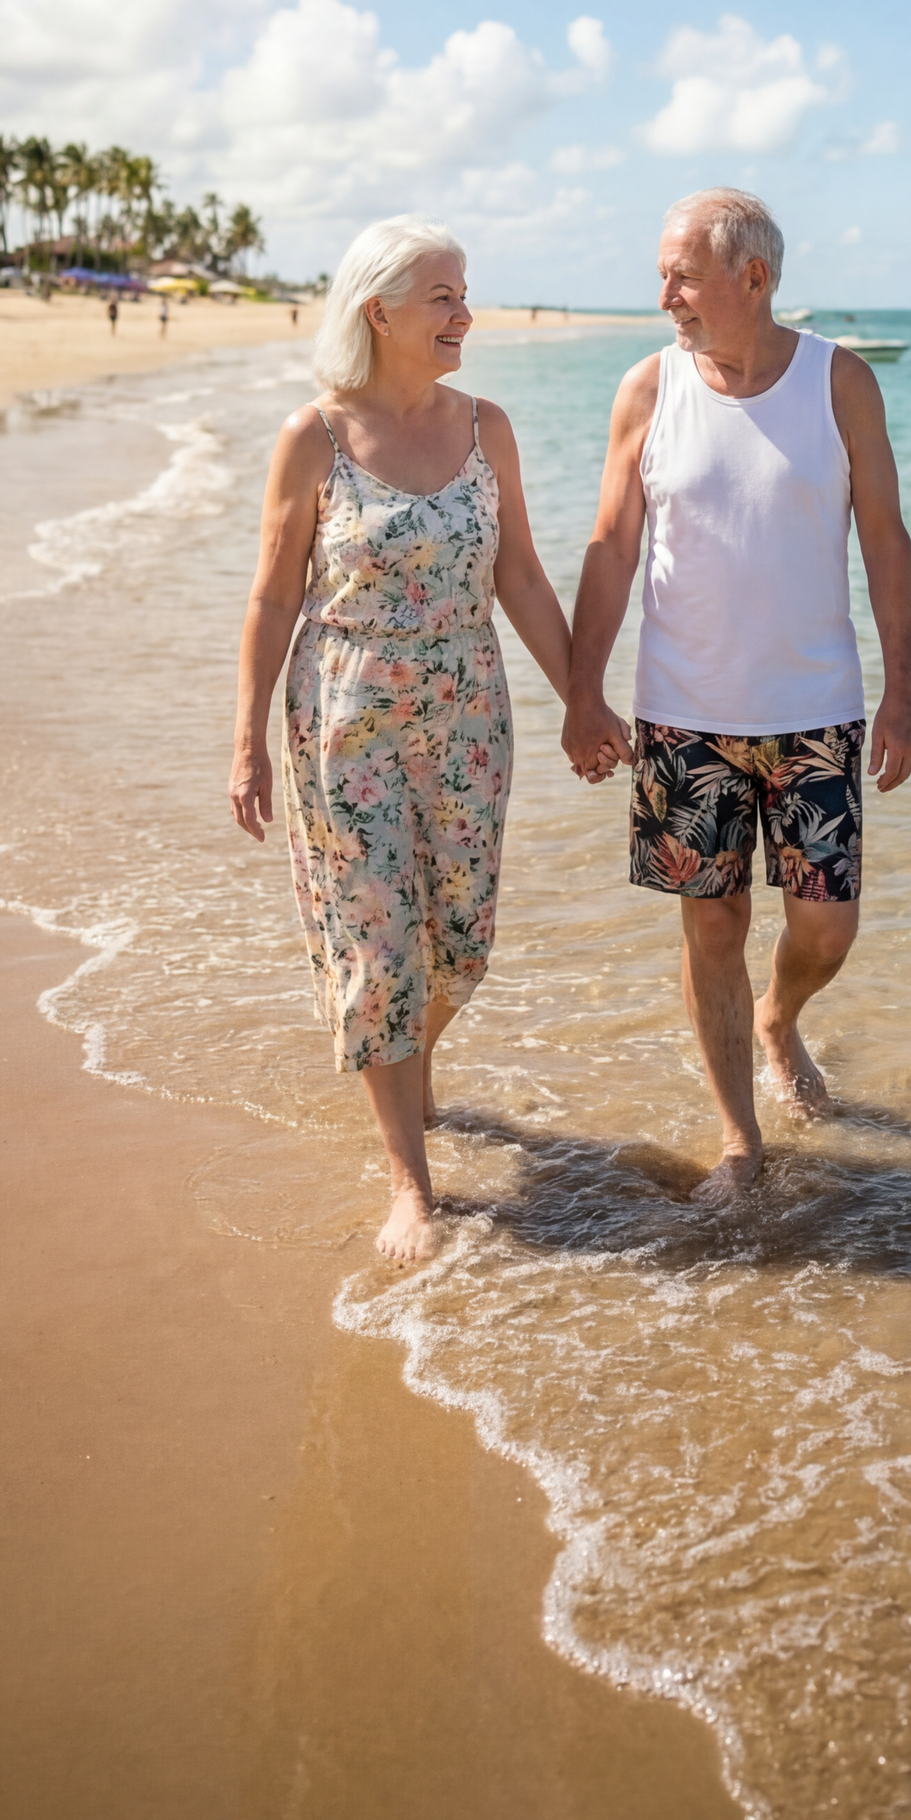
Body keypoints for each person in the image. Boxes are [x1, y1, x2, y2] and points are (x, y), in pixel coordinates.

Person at [229, 216, 596, 1264]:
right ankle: (410, 1184)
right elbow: (269, 597)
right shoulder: (315, 437)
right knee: (378, 943)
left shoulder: (489, 428)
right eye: (444, 297)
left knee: (461, 945)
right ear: (378, 310)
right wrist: (246, 743)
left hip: (469, 711)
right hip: (346, 718)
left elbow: (519, 573)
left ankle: (405, 1060)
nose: (465, 314)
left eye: (463, 293)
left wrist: (581, 697)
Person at [562, 188, 911, 1202]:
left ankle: (780, 1017)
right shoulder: (648, 389)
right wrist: (584, 692)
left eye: (680, 273)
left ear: (750, 278)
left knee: (827, 928)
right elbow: (611, 546)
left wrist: (902, 695)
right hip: (684, 717)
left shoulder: (840, 384)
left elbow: (885, 542)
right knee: (710, 926)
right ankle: (739, 1141)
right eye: (663, 273)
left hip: (816, 712)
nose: (663, 292)